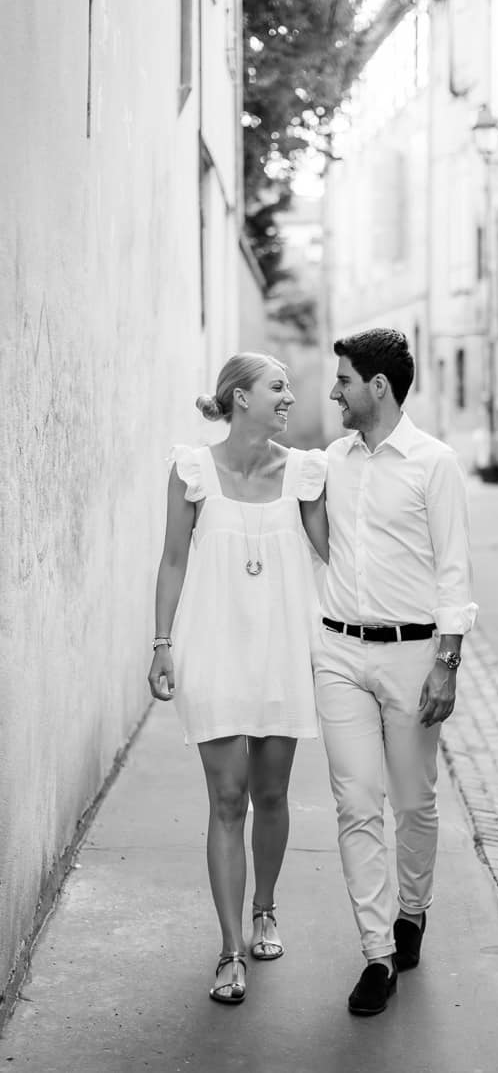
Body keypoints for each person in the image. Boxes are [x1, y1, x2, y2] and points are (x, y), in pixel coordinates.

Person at [147, 353, 327, 1005]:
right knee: (227, 799)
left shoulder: (307, 472)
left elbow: (336, 557)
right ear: (240, 397)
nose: (289, 397)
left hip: (283, 651)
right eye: (277, 387)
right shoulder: (191, 470)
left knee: (271, 796)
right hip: (215, 650)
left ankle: (266, 909)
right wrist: (162, 645)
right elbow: (171, 561)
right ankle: (229, 950)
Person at [315, 328, 476, 1016]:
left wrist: (447, 664)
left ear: (378, 387)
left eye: (345, 380)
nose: (334, 392)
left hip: (414, 656)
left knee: (413, 801)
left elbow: (454, 570)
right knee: (356, 804)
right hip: (338, 654)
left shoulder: (434, 464)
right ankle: (377, 953)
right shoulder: (330, 461)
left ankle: (413, 911)